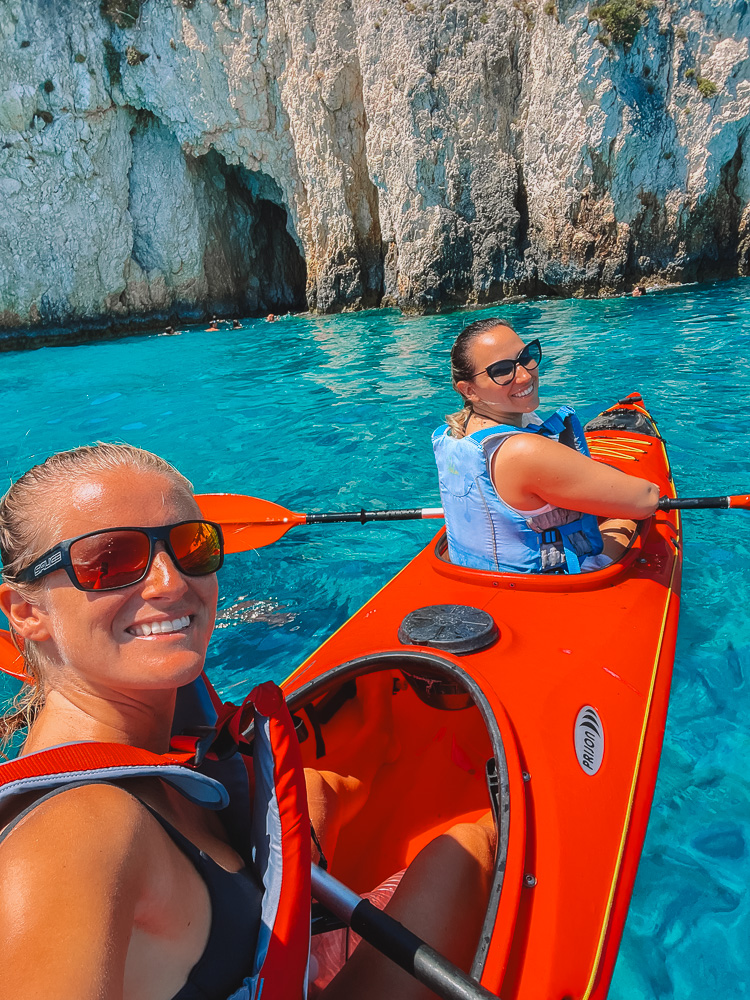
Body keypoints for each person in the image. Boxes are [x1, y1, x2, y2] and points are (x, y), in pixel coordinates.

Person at [0, 444, 495, 1000]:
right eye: (109, 561)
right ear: (26, 612)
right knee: (472, 847)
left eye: (192, 547)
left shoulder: (147, 747)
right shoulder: (71, 841)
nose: (169, 583)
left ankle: (380, 745)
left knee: (317, 789)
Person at [432, 318, 660, 574]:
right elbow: (646, 499)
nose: (525, 375)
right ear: (469, 390)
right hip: (540, 584)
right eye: (501, 371)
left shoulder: (453, 434)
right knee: (630, 516)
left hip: (472, 571)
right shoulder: (522, 450)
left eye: (526, 356)